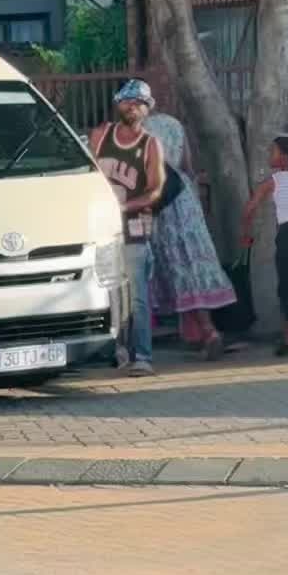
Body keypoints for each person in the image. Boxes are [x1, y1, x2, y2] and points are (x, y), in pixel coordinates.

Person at [89, 79, 166, 374]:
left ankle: (142, 356)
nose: (132, 107)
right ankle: (115, 351)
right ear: (117, 103)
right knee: (108, 295)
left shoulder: (150, 145)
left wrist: (123, 207)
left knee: (137, 298)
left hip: (134, 229)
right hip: (102, 232)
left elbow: (155, 190)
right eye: (127, 101)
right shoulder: (101, 135)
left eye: (139, 103)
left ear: (147, 108)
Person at [145, 109, 235, 358]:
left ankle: (207, 331)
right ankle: (200, 334)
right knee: (194, 263)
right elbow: (188, 165)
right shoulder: (174, 124)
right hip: (183, 195)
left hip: (160, 201)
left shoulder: (136, 131)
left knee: (178, 268)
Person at [241, 133, 288, 357]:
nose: (270, 155)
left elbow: (249, 209)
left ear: (285, 157)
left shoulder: (274, 181)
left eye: (273, 152)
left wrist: (246, 234)